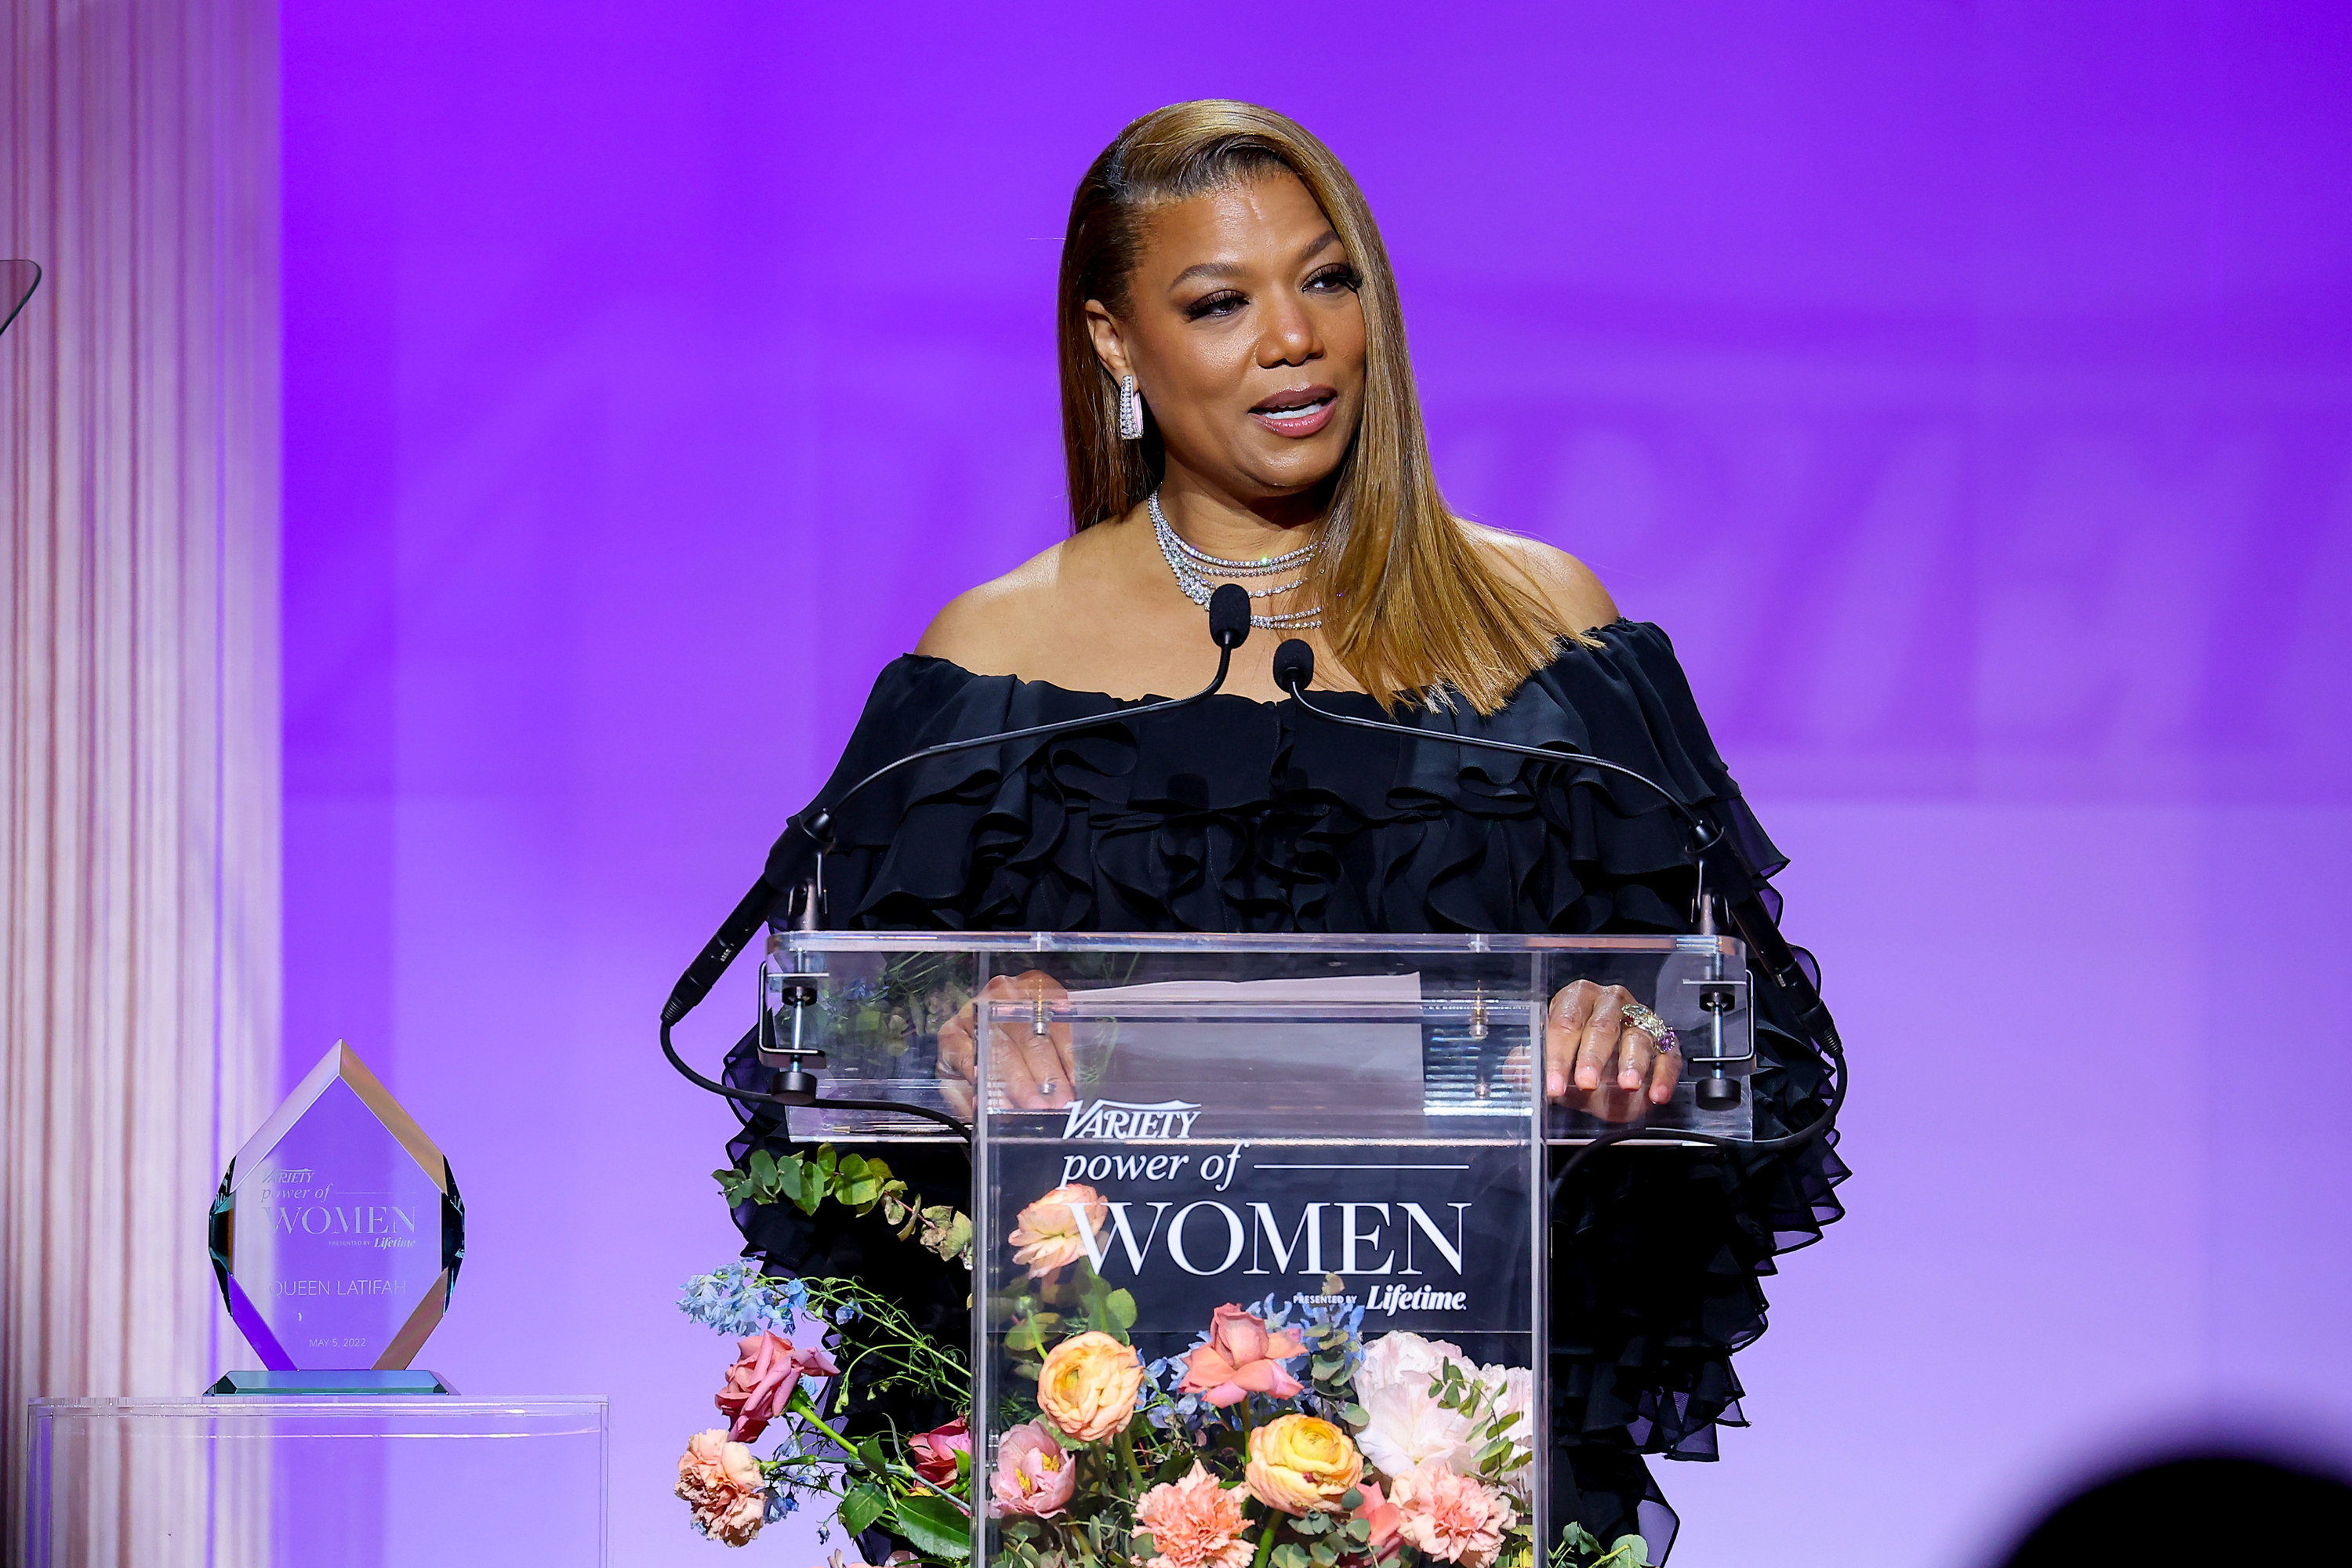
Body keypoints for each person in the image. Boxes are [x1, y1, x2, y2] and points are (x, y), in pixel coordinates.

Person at [725, 99, 1845, 1559]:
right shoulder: (995, 664)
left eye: (1328, 281)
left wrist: (1620, 1028)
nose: (1293, 340)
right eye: (1218, 302)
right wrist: (955, 1028)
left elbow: (1747, 1037)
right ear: (1116, 346)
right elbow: (843, 1073)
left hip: (1465, 1470)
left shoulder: (1548, 631)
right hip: (1113, 1485)